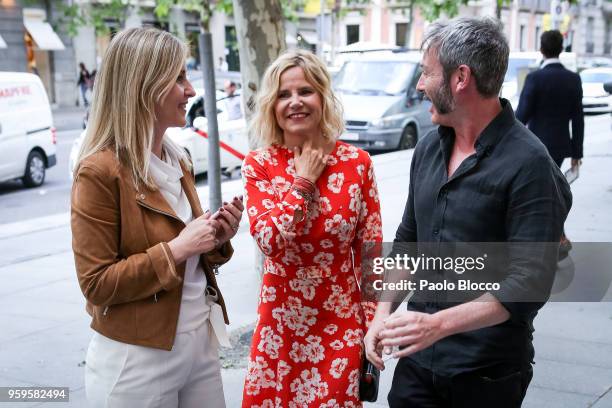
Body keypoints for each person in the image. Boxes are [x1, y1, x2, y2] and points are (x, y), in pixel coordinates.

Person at [364, 17, 571, 408]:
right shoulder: (427, 149)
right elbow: (409, 243)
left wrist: (436, 325)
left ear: (461, 78)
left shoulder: (531, 165)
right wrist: (380, 315)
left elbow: (529, 282)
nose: (420, 85)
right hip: (416, 365)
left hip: (486, 374)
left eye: (426, 73)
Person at [71, 27, 244, 408]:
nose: (192, 90)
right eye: (179, 78)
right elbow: (97, 283)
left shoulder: (177, 157)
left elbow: (193, 251)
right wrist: (178, 249)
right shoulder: (98, 171)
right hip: (138, 357)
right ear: (144, 85)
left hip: (200, 340)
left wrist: (217, 237)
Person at [241, 49, 382, 407]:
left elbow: (371, 253)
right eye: (283, 95)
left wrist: (371, 328)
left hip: (340, 326)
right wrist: (303, 180)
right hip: (280, 329)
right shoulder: (259, 165)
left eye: (304, 91)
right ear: (271, 106)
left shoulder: (358, 164)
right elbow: (270, 241)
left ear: (322, 96)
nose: (294, 102)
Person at [516, 29, 584, 251]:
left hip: (534, 146)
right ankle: (558, 237)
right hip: (561, 146)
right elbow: (578, 118)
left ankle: (555, 238)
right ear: (562, 49)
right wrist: (576, 153)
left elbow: (521, 116)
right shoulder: (573, 79)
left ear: (541, 49)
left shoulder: (535, 78)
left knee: (543, 193)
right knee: (552, 190)